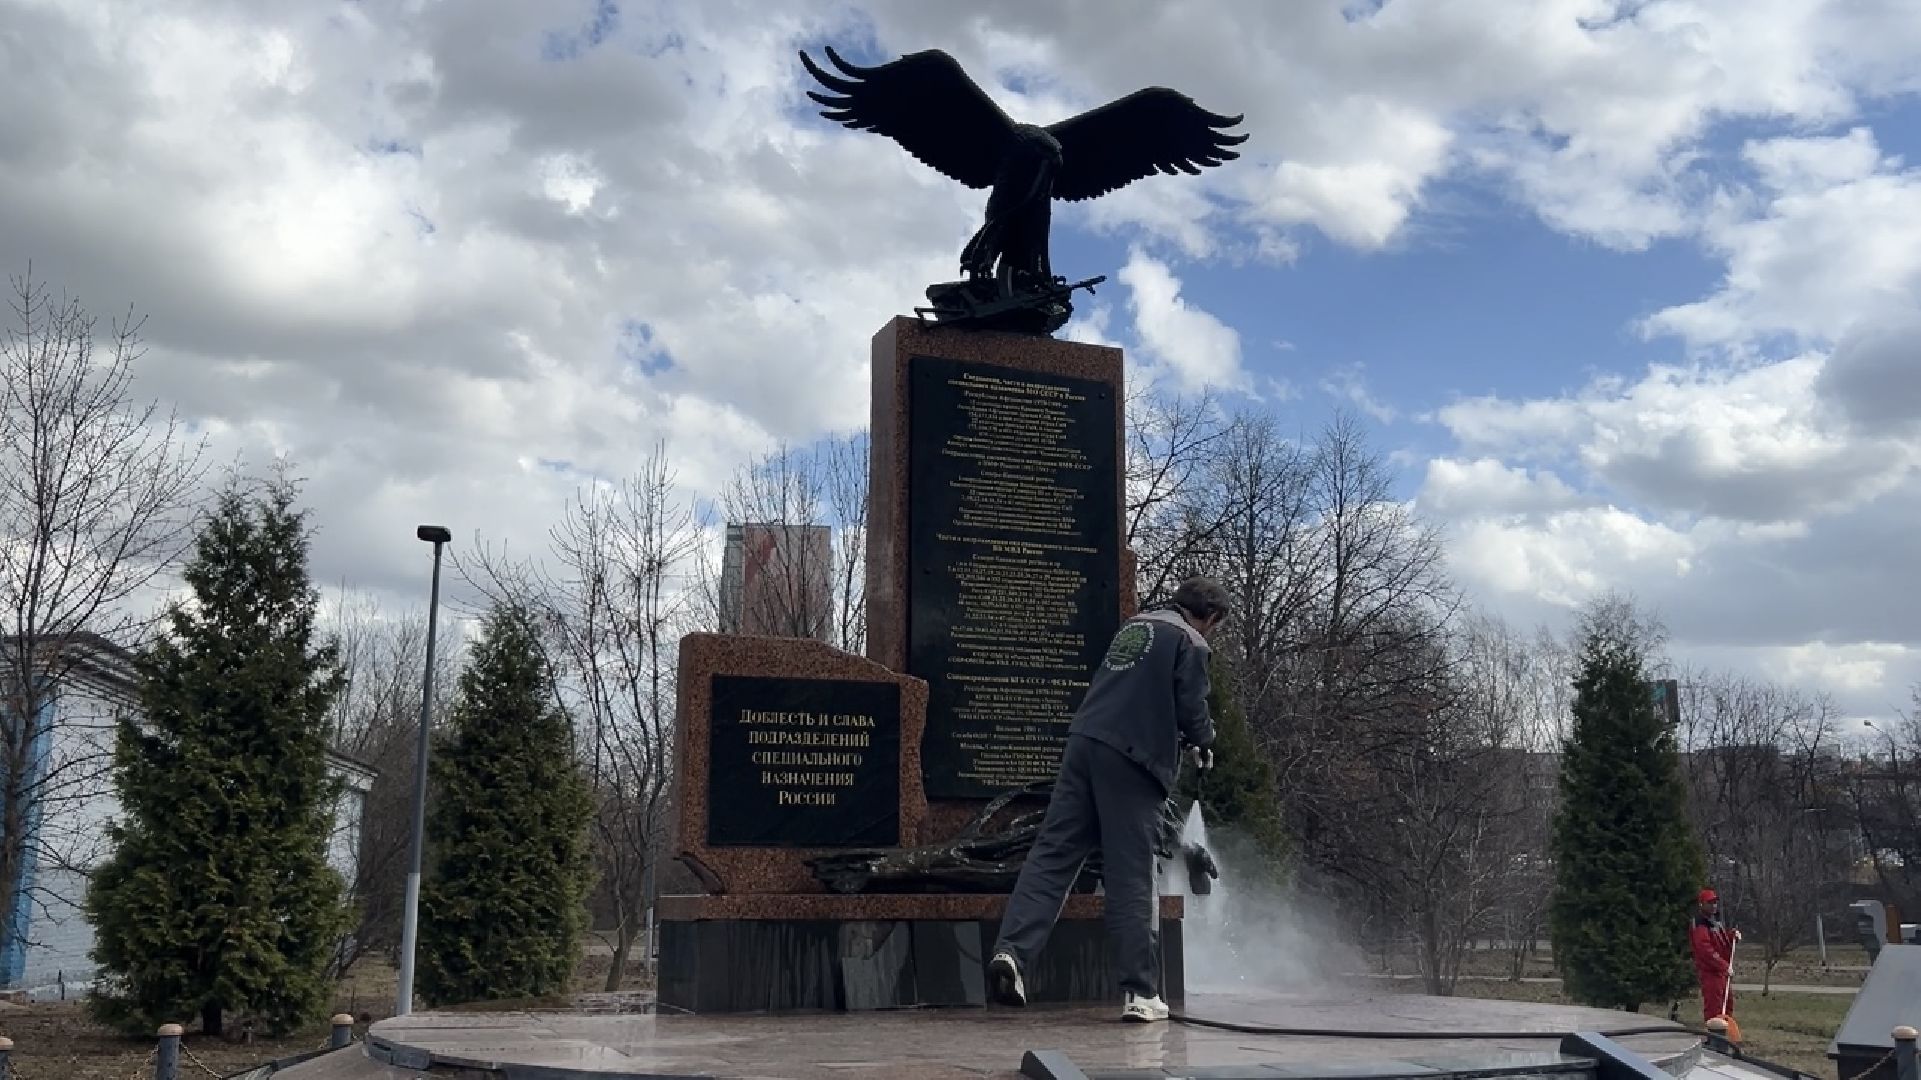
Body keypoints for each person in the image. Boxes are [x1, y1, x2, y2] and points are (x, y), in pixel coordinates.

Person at [988, 576, 1229, 1023]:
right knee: (1131, 873)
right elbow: (1192, 708)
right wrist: (1204, 742)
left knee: (1053, 856)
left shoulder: (1134, 626)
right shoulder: (1191, 641)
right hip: (1133, 758)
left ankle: (1012, 954)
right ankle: (1140, 993)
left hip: (1084, 744)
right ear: (1210, 616)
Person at [1690, 888, 1742, 1023]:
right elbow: (1706, 951)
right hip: (1711, 973)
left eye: (1715, 902)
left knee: (1728, 1005)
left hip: (1721, 973)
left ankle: (1725, 1034)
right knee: (1714, 1007)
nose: (1714, 906)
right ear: (1702, 904)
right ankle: (1713, 1037)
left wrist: (1732, 936)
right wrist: (1724, 965)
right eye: (1710, 903)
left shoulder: (1714, 922)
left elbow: (1721, 942)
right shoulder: (1700, 925)